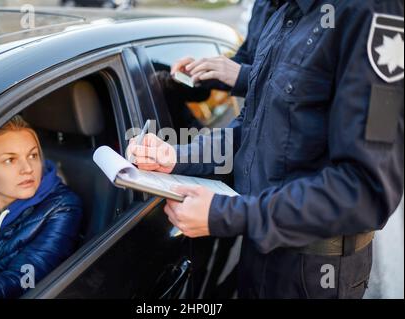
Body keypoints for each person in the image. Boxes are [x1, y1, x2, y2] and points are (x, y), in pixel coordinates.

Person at [128, 0, 404, 298]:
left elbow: (364, 191)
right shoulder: (282, 11)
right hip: (259, 250)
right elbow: (251, 126)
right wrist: (177, 157)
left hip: (314, 272)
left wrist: (226, 214)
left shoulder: (369, 12)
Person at [0, 115, 82, 298]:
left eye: (33, 155)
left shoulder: (62, 208)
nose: (28, 168)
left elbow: (21, 282)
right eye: (10, 160)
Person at [171, 0, 279, 98]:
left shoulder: (294, 12)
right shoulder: (261, 4)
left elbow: (293, 92)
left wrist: (244, 77)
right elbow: (246, 57)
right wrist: (202, 70)